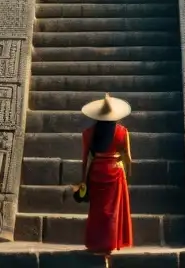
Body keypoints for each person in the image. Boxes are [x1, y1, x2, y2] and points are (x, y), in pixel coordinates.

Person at [75, 93, 133, 257]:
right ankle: (110, 243)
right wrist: (127, 170)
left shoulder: (88, 133)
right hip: (115, 170)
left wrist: (82, 180)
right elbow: (128, 157)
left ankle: (95, 243)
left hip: (96, 171)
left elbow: (85, 159)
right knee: (113, 211)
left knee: (97, 210)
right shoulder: (122, 131)